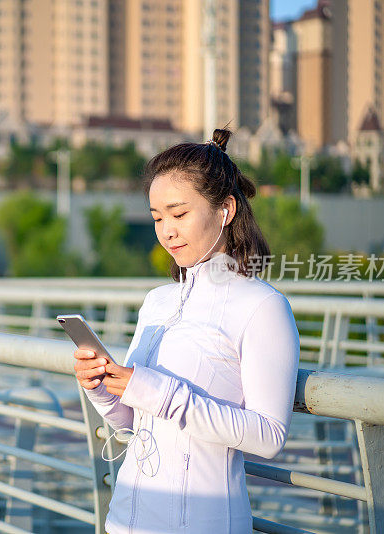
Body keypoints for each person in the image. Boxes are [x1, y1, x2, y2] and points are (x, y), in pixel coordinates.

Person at [73, 128, 300, 534]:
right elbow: (132, 421)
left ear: (225, 210)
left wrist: (158, 391)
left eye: (179, 214)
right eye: (158, 218)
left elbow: (268, 436)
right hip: (124, 521)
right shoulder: (158, 301)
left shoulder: (262, 306)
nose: (166, 231)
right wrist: (102, 387)